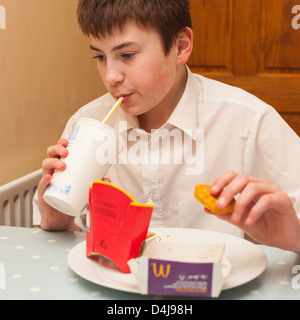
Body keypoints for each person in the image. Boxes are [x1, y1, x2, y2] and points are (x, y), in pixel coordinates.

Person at [34, 0, 300, 253]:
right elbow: (61, 245)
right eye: (100, 58)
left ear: (181, 46)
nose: (111, 76)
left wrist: (294, 236)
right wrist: (56, 219)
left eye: (127, 55)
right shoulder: (88, 123)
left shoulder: (249, 121)